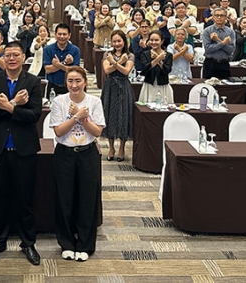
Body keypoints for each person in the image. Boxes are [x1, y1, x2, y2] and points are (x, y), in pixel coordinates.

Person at [0, 42, 43, 266]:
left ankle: (28, 243)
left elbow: (34, 115)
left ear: (24, 57)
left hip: (24, 149)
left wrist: (9, 107)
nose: (12, 58)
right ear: (3, 58)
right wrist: (15, 104)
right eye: (8, 55)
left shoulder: (33, 82)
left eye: (16, 54)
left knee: (25, 200)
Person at [48, 66, 104, 262]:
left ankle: (85, 245)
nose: (74, 85)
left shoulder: (94, 101)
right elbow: (59, 131)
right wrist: (76, 117)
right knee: (65, 199)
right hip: (65, 154)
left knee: (87, 200)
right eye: (70, 81)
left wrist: (83, 116)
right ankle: (67, 243)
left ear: (85, 82)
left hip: (88, 154)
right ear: (66, 83)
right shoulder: (59, 101)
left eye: (78, 81)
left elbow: (97, 132)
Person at [101, 31, 134, 162]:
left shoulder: (130, 55)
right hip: (110, 86)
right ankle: (111, 148)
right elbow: (107, 70)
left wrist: (114, 63)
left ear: (124, 41)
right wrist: (120, 62)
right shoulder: (107, 54)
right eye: (114, 41)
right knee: (109, 114)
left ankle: (121, 148)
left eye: (119, 41)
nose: (117, 44)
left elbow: (126, 72)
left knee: (123, 115)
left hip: (124, 87)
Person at [43, 23, 80, 96]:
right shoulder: (48, 49)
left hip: (70, 87)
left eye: (64, 34)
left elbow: (75, 71)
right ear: (55, 34)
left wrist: (58, 64)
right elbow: (48, 69)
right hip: (52, 86)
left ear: (69, 35)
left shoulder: (75, 50)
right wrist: (65, 62)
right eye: (59, 34)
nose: (62, 36)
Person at [139, 31, 174, 103]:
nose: (153, 42)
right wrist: (157, 59)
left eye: (156, 40)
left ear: (162, 41)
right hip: (149, 86)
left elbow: (167, 70)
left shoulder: (168, 55)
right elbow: (145, 69)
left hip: (163, 86)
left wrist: (160, 61)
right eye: (151, 40)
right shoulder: (145, 54)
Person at [201, 7, 235, 79]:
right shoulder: (207, 31)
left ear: (225, 17)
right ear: (213, 17)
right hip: (210, 63)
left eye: (222, 15)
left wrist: (218, 40)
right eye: (217, 15)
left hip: (224, 63)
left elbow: (231, 50)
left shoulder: (230, 32)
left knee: (225, 85)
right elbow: (208, 49)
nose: (219, 17)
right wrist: (223, 43)